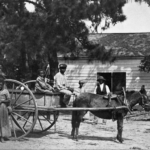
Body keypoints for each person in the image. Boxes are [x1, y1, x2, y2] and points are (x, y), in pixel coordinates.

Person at [0, 74, 11, 142]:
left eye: (0, 84)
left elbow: (9, 100)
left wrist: (2, 100)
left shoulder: (5, 91)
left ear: (2, 84)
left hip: (3, 107)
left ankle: (2, 136)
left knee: (3, 122)